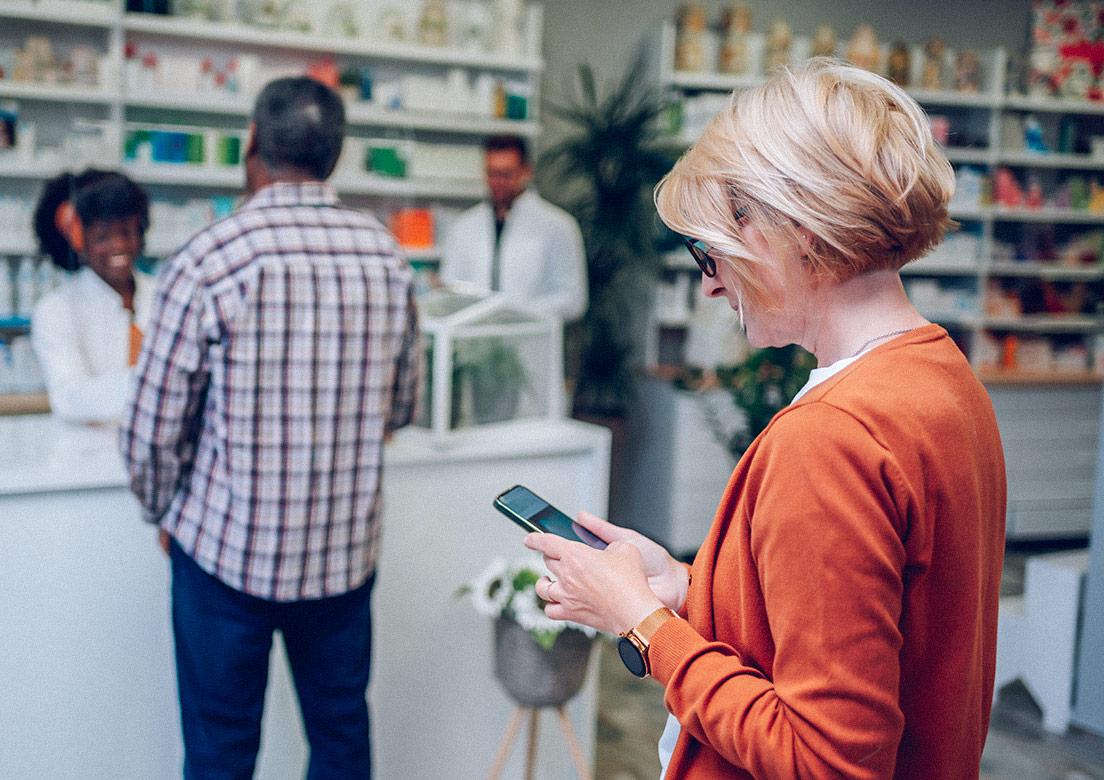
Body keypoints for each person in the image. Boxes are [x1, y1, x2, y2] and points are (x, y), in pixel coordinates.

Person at [523, 59, 1007, 779]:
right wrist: (688, 587)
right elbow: (865, 629)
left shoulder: (832, 437)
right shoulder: (943, 378)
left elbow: (827, 760)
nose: (711, 284)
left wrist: (644, 625)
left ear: (795, 228)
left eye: (711, 252)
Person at [119, 76, 419, 780]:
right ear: (335, 155)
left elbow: (150, 432)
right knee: (340, 739)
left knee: (220, 751)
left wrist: (162, 511)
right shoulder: (386, 258)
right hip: (343, 555)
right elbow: (401, 406)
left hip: (225, 557)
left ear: (252, 141)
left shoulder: (210, 258)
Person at [30, 169, 152, 423]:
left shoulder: (165, 294)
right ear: (80, 240)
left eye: (126, 232)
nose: (118, 246)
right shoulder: (56, 309)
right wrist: (157, 385)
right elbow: (69, 398)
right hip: (91, 446)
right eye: (103, 237)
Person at [440, 134, 587, 321]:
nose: (498, 182)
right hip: (472, 334)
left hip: (531, 334)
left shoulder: (558, 226)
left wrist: (514, 315)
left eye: (506, 174)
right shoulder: (464, 226)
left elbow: (573, 300)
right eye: (492, 173)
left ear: (526, 171)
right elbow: (450, 290)